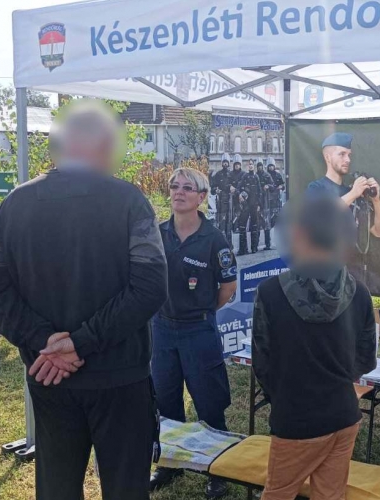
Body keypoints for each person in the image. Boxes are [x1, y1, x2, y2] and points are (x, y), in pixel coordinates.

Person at [0, 100, 168, 500]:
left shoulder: (12, 205)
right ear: (103, 145)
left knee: (57, 487)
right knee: (126, 488)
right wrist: (78, 343)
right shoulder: (129, 201)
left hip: (49, 374)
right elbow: (149, 286)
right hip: (118, 376)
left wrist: (46, 341)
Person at [252, 196, 378, 500]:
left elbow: (262, 363)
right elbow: (365, 360)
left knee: (278, 494)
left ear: (299, 234)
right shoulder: (359, 292)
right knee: (330, 495)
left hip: (296, 418)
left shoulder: (270, 292)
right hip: (343, 414)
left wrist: (283, 397)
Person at [149, 167, 237, 498]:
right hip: (162, 329)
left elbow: (228, 288)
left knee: (209, 403)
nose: (179, 192)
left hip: (198, 329)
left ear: (202, 197)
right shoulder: (157, 233)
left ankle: (218, 469)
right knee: (165, 400)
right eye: (175, 186)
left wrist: (202, 311)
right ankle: (170, 464)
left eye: (188, 187)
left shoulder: (215, 239)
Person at [306, 133, 380, 239]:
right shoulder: (316, 188)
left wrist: (376, 201)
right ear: (328, 157)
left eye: (349, 155)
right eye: (342, 154)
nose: (348, 160)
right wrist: (353, 193)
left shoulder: (353, 193)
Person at [236, 159, 262, 255]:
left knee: (254, 226)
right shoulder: (244, 176)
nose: (250, 166)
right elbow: (238, 188)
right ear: (247, 166)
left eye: (252, 164)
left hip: (254, 205)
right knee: (242, 226)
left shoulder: (256, 177)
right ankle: (243, 249)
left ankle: (254, 248)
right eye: (249, 164)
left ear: (253, 166)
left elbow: (260, 192)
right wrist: (239, 195)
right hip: (245, 206)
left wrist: (259, 205)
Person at [211, 153, 234, 247]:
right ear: (222, 163)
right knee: (221, 223)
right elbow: (212, 187)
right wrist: (215, 190)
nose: (225, 164)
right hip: (220, 201)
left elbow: (236, 186)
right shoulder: (218, 174)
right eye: (224, 162)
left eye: (226, 162)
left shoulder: (231, 174)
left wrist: (233, 188)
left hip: (230, 201)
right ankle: (222, 244)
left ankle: (229, 244)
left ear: (228, 163)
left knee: (229, 223)